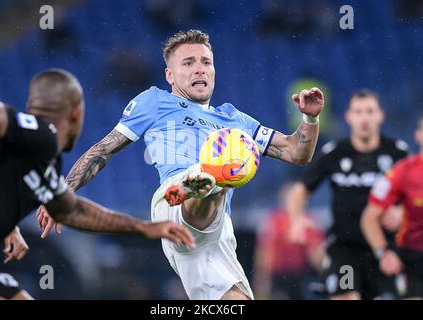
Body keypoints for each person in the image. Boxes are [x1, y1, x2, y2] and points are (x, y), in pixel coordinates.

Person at [38, 30, 324, 300]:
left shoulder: (235, 120)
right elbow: (104, 149)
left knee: (235, 300)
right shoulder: (154, 101)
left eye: (206, 62)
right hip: (173, 198)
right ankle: (202, 183)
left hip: (218, 230)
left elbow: (296, 152)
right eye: (188, 63)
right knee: (216, 168)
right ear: (170, 75)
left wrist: (310, 119)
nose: (199, 68)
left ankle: (208, 183)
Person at [0, 69, 194, 300]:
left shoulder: (39, 162)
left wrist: (144, 228)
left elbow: (73, 211)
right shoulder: (39, 134)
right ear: (76, 113)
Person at [286, 89, 409, 300]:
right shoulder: (335, 152)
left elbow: (416, 194)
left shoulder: (398, 153)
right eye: (358, 111)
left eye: (370, 111)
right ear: (348, 116)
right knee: (346, 296)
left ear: (380, 115)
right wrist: (296, 219)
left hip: (388, 249)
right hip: (345, 250)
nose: (364, 118)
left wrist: (402, 211)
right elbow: (300, 189)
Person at [361, 115, 423, 299]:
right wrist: (383, 252)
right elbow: (369, 218)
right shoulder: (401, 172)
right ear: (418, 135)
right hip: (414, 260)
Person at [253, 183, 325, 300]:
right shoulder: (274, 220)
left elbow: (316, 255)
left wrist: (328, 275)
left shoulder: (308, 221)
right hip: (279, 276)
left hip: (301, 276)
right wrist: (262, 281)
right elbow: (264, 254)